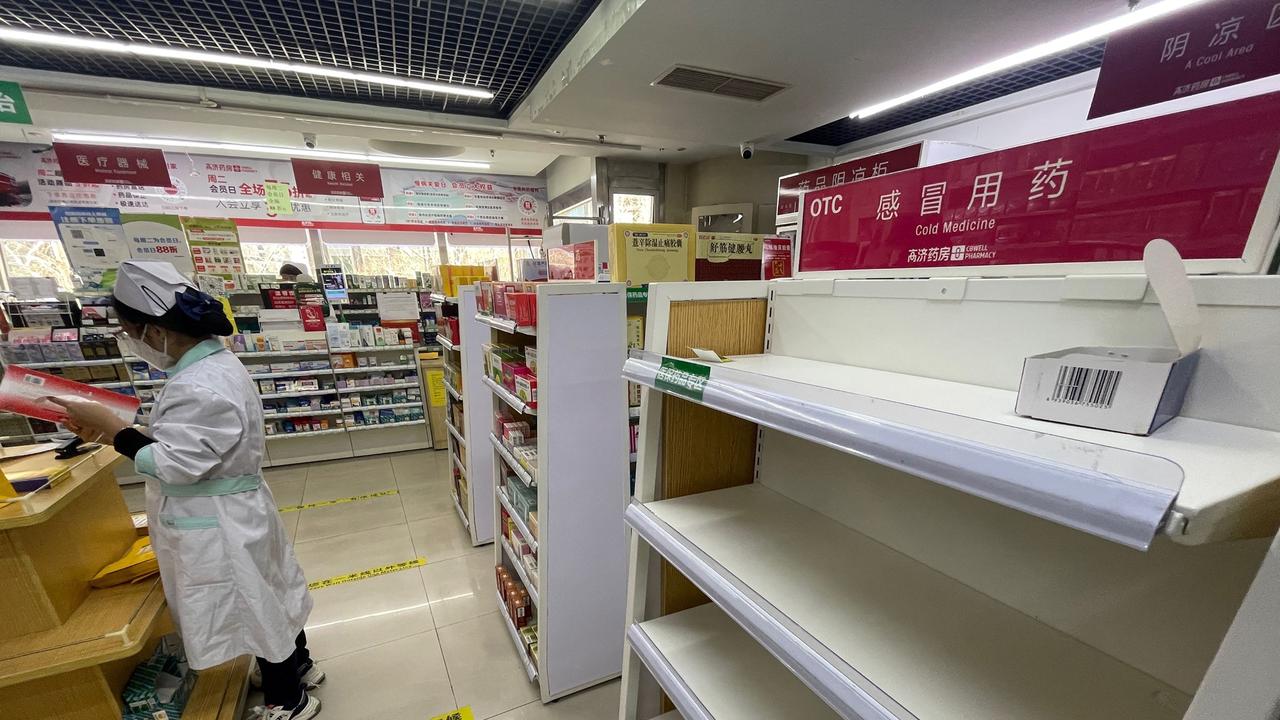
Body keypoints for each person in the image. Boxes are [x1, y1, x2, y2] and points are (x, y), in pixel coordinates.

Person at [54, 261, 324, 720]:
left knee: (253, 601)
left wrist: (117, 433)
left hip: (218, 517)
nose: (130, 340)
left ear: (154, 329)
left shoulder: (200, 384)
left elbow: (175, 463)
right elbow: (192, 441)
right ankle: (297, 666)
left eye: (128, 331)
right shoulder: (214, 365)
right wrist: (115, 431)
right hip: (234, 506)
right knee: (268, 590)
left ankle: (288, 699)